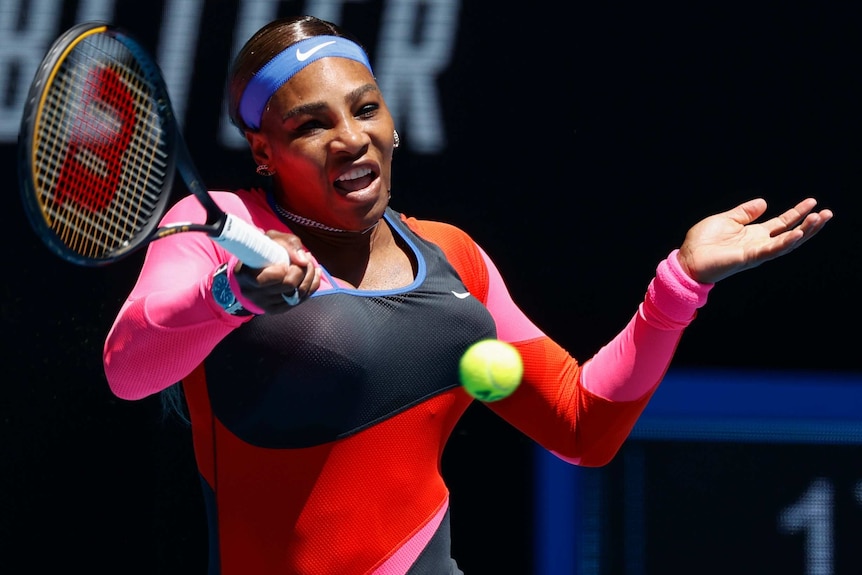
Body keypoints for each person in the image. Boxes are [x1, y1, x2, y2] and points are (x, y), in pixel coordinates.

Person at [102, 14, 833, 575]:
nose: (352, 138)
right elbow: (128, 368)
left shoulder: (454, 256)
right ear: (264, 151)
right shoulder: (213, 235)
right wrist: (233, 295)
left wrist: (681, 283)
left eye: (365, 109)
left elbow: (584, 426)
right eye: (311, 125)